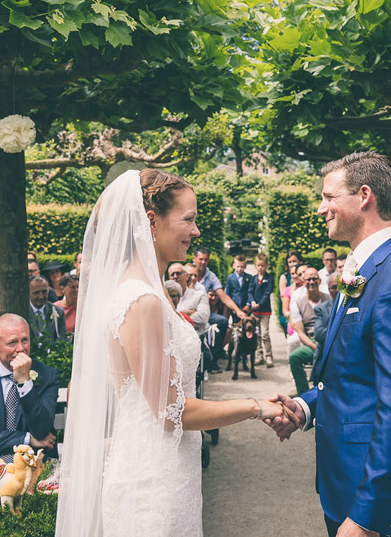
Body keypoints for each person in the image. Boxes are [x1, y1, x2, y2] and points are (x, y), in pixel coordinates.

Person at [56, 168, 296, 537]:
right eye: (189, 219)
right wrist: (255, 406)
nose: (196, 231)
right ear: (152, 221)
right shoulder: (142, 300)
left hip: (164, 464)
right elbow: (171, 412)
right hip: (153, 479)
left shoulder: (145, 291)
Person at [271, 151, 391, 537]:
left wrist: (368, 515)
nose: (321, 208)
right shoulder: (362, 269)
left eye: (329, 197)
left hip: (374, 500)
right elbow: (351, 374)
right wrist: (303, 407)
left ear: (364, 196)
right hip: (342, 483)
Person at [0, 313, 60, 475]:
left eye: (25, 340)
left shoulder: (47, 375)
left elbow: (42, 430)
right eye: (12, 342)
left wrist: (25, 382)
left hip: (35, 467)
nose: (21, 348)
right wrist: (27, 439)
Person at [287, 266, 329, 396]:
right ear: (304, 282)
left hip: (328, 340)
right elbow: (300, 332)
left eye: (314, 279)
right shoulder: (298, 304)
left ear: (319, 281)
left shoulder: (329, 299)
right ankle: (304, 394)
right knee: (294, 357)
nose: (311, 282)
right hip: (311, 341)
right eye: (308, 280)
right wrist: (314, 347)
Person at [193, 246, 247, 321]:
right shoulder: (186, 272)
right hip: (186, 309)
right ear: (194, 259)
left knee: (223, 321)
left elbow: (223, 296)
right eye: (201, 259)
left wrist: (238, 311)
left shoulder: (211, 276)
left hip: (203, 312)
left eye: (206, 260)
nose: (203, 262)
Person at [249, 253, 276, 368]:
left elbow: (267, 293)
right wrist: (252, 301)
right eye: (258, 265)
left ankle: (268, 355)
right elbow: (250, 292)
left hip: (264, 311)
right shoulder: (253, 278)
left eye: (262, 266)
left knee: (265, 333)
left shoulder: (269, 279)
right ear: (256, 265)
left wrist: (259, 304)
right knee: (257, 334)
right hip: (255, 312)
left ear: (266, 265)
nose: (260, 268)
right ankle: (259, 354)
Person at [310, 272, 338, 380]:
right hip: (327, 356)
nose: (338, 290)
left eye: (341, 286)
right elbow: (319, 334)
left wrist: (329, 329)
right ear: (329, 290)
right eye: (334, 287)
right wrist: (343, 330)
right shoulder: (321, 309)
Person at [26, 275, 67, 348]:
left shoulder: (58, 311)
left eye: (44, 292)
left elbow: (62, 338)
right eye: (36, 293)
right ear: (28, 292)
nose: (41, 296)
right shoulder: (23, 312)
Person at [170, 262, 210, 334]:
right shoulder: (166, 298)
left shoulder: (200, 295)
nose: (175, 276)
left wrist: (174, 318)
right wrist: (185, 313)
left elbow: (202, 318)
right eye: (172, 274)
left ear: (186, 276)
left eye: (178, 273)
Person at [278, 250, 304, 334]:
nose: (292, 264)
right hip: (289, 308)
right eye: (290, 262)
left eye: (294, 261)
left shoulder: (303, 275)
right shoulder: (285, 277)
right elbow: (284, 298)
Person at [224, 254, 252, 319]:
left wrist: (248, 304)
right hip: (235, 307)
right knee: (236, 323)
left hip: (246, 307)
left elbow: (250, 292)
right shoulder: (230, 278)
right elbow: (228, 293)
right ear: (234, 266)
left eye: (242, 267)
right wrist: (232, 307)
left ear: (245, 266)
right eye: (238, 266)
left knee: (246, 323)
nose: (239, 269)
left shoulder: (249, 277)